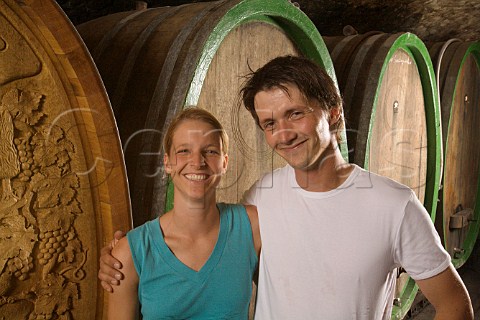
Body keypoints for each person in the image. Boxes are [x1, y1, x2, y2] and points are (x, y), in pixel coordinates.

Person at [99, 56, 474, 319]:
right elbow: (202, 241)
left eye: (295, 114)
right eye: (269, 123)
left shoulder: (395, 205)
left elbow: (456, 305)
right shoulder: (262, 197)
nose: (284, 133)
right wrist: (122, 258)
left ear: (332, 111)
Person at [105, 107, 261, 319]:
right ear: (167, 163)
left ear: (224, 163)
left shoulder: (251, 228)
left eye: (211, 151)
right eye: (184, 151)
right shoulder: (130, 252)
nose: (197, 162)